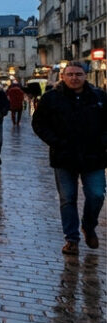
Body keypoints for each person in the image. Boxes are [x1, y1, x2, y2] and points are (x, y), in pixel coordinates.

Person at [32, 61, 107, 255]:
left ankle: (88, 226)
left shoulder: (99, 97)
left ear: (85, 76)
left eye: (78, 74)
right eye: (70, 74)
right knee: (67, 199)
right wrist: (56, 142)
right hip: (64, 156)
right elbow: (39, 123)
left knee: (97, 194)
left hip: (94, 156)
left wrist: (102, 142)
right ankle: (71, 238)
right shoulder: (52, 98)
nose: (74, 78)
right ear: (63, 77)